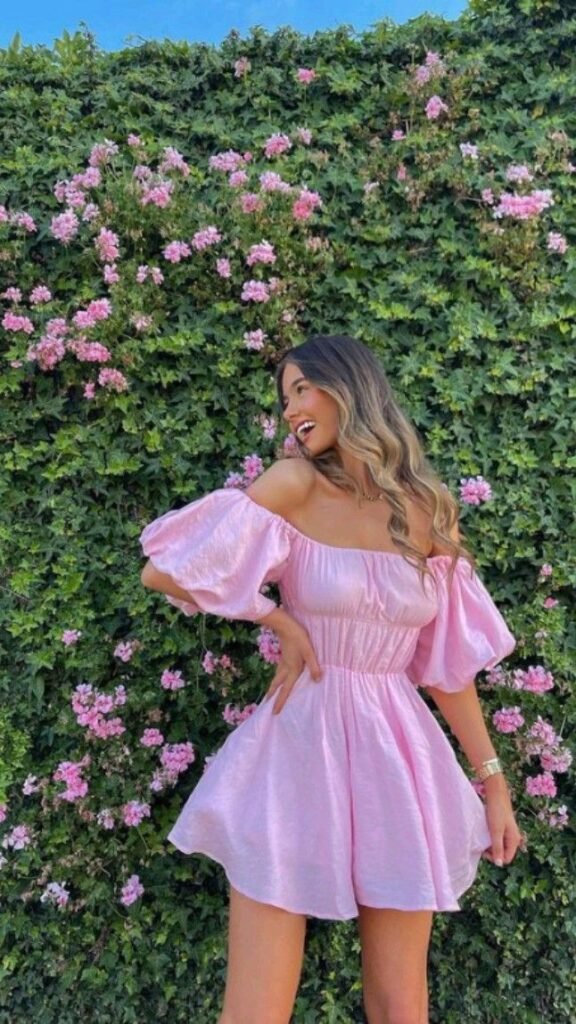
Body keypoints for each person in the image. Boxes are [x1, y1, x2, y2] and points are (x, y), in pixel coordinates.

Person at [140, 334, 524, 1024]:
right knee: (256, 1010)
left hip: (398, 756)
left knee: (401, 1006)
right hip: (298, 749)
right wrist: (277, 620)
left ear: (348, 389)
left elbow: (448, 672)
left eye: (300, 390)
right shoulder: (294, 483)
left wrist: (493, 783)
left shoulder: (428, 512)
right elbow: (166, 570)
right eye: (283, 397)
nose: (290, 410)